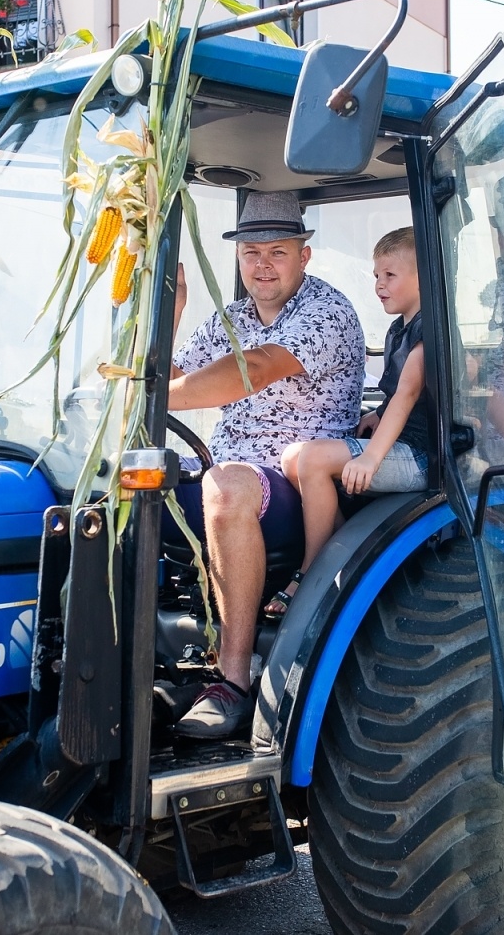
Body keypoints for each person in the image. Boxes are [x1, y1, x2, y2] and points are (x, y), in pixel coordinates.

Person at [167, 191, 365, 738]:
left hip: (299, 483)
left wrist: (161, 394)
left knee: (226, 488)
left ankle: (232, 682)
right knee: (122, 483)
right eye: (251, 252)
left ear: (304, 255)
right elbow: (170, 369)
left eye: (277, 252)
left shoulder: (327, 313)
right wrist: (173, 314)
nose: (262, 265)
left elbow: (255, 366)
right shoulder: (230, 317)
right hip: (227, 465)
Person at [270, 227, 430, 618]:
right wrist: (374, 415)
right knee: (293, 457)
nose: (379, 285)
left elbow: (409, 393)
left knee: (312, 460)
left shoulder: (431, 329)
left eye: (389, 275)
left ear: (422, 275)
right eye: (376, 276)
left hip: (420, 458)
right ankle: (342, 545)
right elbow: (397, 395)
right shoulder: (399, 329)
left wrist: (370, 458)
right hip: (398, 443)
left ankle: (311, 571)